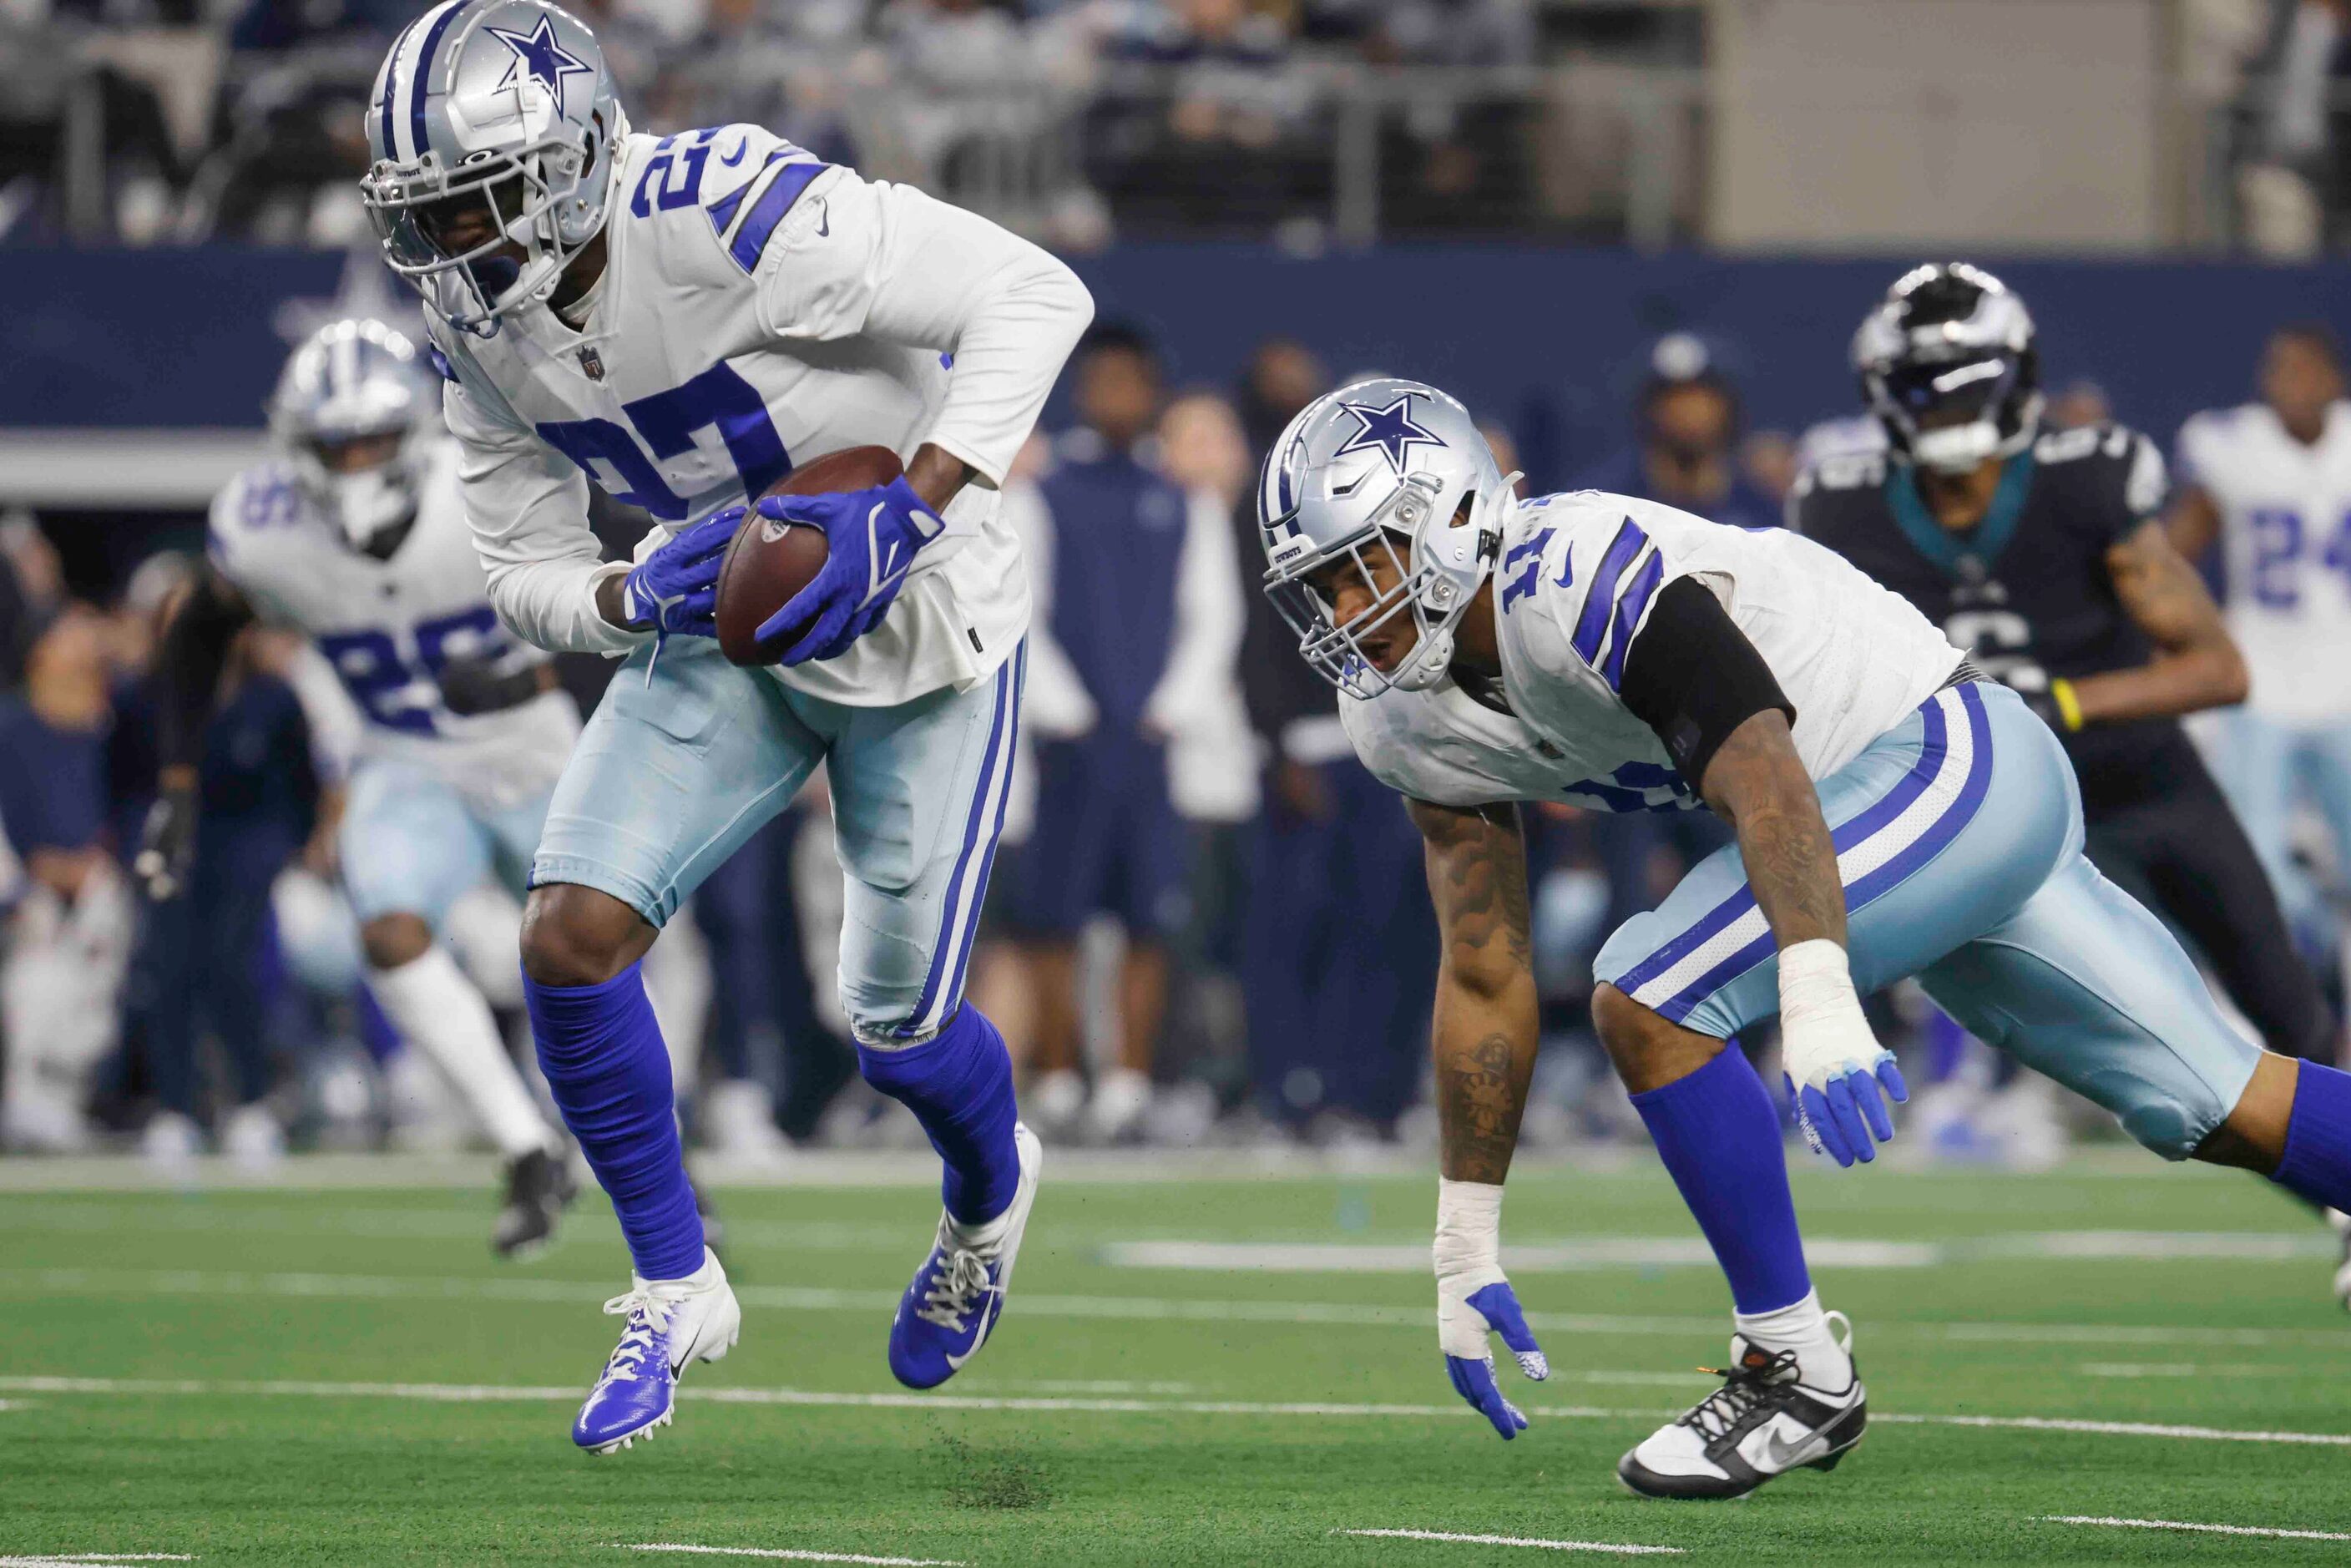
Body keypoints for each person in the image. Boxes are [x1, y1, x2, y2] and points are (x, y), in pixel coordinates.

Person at [1254, 372, 2351, 1500]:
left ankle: (1794, 1368)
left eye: (1359, 568)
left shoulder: (1578, 569)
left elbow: (1764, 772)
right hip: (1903, 836)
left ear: (1452, 517)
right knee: (2222, 1102)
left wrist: (1818, 991)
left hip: (1945, 761)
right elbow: (1483, 966)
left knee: (1647, 990)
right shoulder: (1399, 718)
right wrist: (1464, 1232)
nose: (1341, 613)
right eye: (1319, 587)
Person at [356, 0, 1090, 1454]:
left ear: (571, 161)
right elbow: (522, 568)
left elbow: (1034, 294)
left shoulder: (735, 209)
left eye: (478, 206)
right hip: (726, 610)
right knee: (567, 932)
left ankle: (989, 1190)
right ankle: (673, 1282)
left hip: (923, 614)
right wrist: (630, 589)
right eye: (427, 219)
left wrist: (917, 496)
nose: (455, 253)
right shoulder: (468, 324)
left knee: (896, 1030)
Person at [1793, 267, 2339, 1206]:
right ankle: (1967, 1092)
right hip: (2005, 817)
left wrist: (2061, 702)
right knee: (2163, 1065)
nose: (1947, 407)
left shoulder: (2079, 480)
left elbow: (2217, 669)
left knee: (2285, 1007)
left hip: (2141, 782)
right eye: (1928, 384)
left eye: (1964, 379)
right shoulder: (1841, 506)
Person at [138, 318, 579, 1247]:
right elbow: (197, 631)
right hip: (407, 756)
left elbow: (622, 601)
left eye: (371, 438)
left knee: (587, 952)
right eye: (333, 443)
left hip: (537, 747)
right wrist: (176, 781)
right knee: (388, 931)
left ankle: (660, 1162)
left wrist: (522, 677)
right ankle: (525, 1147)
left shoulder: (485, 487)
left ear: (415, 429)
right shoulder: (265, 532)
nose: (353, 462)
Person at [1001, 323, 1191, 1144]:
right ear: (1084, 389)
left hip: (1147, 746)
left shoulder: (1180, 497)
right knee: (1052, 917)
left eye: (1132, 382)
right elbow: (1020, 609)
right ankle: (1054, 1079)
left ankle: (1126, 1083)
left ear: (1151, 392)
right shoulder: (1041, 493)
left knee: (1147, 919)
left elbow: (1207, 615)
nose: (1118, 396)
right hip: (1067, 746)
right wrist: (1067, 712)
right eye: (1104, 380)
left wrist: (1164, 712)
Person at [2169, 326, 2351, 960]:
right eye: (2277, 371)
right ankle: (2321, 960)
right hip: (2261, 684)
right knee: (2256, 869)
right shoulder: (2234, 448)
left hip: (2347, 684)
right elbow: (2174, 552)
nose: (2288, 385)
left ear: (2334, 379)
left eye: (2303, 371)